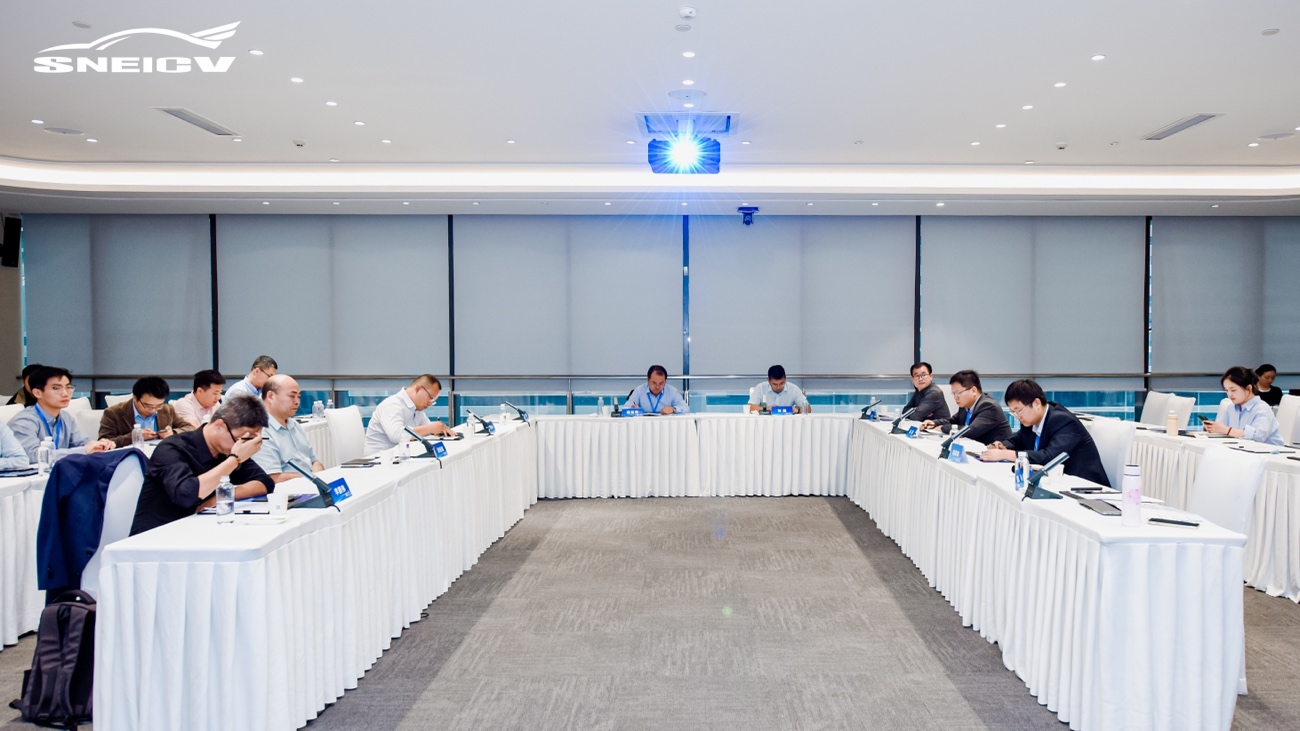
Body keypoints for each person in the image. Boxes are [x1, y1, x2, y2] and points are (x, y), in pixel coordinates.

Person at [129, 394, 274, 535]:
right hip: (156, 536)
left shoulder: (226, 449)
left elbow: (264, 482)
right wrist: (234, 460)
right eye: (240, 439)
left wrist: (220, 497)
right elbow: (186, 495)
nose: (243, 445)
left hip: (196, 531)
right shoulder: (172, 449)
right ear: (219, 425)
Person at [980, 378, 1111, 487]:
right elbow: (1018, 438)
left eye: (1019, 410)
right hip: (1056, 484)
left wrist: (1006, 454)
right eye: (1013, 412)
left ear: (1036, 403)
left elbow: (1049, 458)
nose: (1017, 416)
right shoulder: (1030, 420)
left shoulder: (1063, 421)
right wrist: (1003, 445)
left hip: (1087, 489)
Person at [8, 366, 114, 462]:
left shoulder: (66, 417)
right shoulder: (24, 421)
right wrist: (84, 450)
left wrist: (101, 445)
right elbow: (32, 456)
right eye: (56, 388)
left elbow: (82, 442)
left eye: (68, 387)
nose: (65, 393)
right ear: (37, 393)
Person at [254, 375, 324, 481]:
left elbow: (314, 461)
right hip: (290, 489)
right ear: (271, 396)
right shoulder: (260, 431)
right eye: (292, 396)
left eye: (298, 397)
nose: (297, 402)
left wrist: (319, 476)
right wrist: (312, 477)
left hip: (310, 483)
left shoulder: (295, 425)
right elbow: (273, 478)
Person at [365, 374, 456, 454]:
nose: (430, 403)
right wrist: (429, 428)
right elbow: (396, 435)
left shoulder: (417, 409)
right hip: (379, 459)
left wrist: (439, 430)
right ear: (418, 389)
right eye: (431, 398)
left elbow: (427, 430)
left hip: (400, 456)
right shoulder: (392, 405)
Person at [922, 370, 1012, 445]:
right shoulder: (965, 406)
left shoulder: (989, 406)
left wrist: (943, 428)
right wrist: (934, 423)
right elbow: (953, 421)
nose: (955, 397)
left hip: (997, 454)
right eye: (954, 394)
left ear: (973, 390)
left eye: (958, 393)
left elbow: (970, 431)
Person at [98, 377, 194, 447]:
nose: (154, 410)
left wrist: (173, 432)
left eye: (159, 405)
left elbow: (190, 429)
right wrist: (134, 437)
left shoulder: (167, 410)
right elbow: (104, 442)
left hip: (161, 455)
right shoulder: (113, 413)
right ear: (135, 398)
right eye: (148, 406)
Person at [1204, 366, 1283, 446]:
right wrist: (1212, 427)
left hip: (1267, 452)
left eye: (1233, 390)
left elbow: (1257, 437)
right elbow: (1221, 427)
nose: (1229, 394)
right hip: (1241, 450)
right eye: (1227, 390)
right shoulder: (1231, 408)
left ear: (1248, 388)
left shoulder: (1262, 409)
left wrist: (1227, 430)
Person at [624, 365, 690, 415]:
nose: (657, 387)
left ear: (665, 381)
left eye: (661, 383)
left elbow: (686, 408)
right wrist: (634, 410)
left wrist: (673, 409)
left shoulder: (672, 391)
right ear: (648, 380)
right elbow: (625, 408)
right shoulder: (639, 390)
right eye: (654, 383)